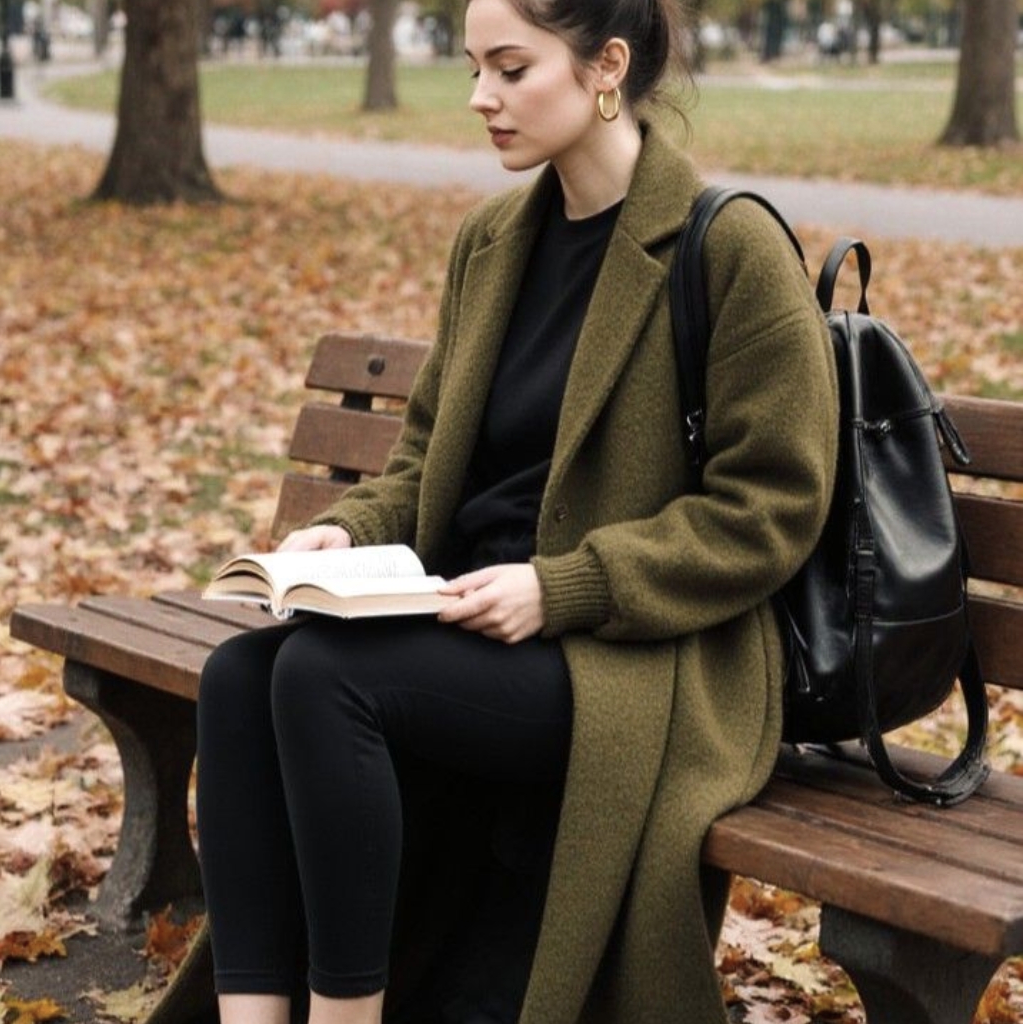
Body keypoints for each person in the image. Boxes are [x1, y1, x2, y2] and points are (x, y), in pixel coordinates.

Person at [194, 0, 839, 1022]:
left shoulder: (729, 247)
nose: (479, 98)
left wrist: (563, 587)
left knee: (322, 679)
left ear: (605, 67)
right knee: (238, 676)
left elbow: (770, 508)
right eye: (470, 69)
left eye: (507, 68)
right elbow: (422, 463)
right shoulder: (492, 239)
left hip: (636, 650)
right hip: (470, 613)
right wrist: (349, 532)